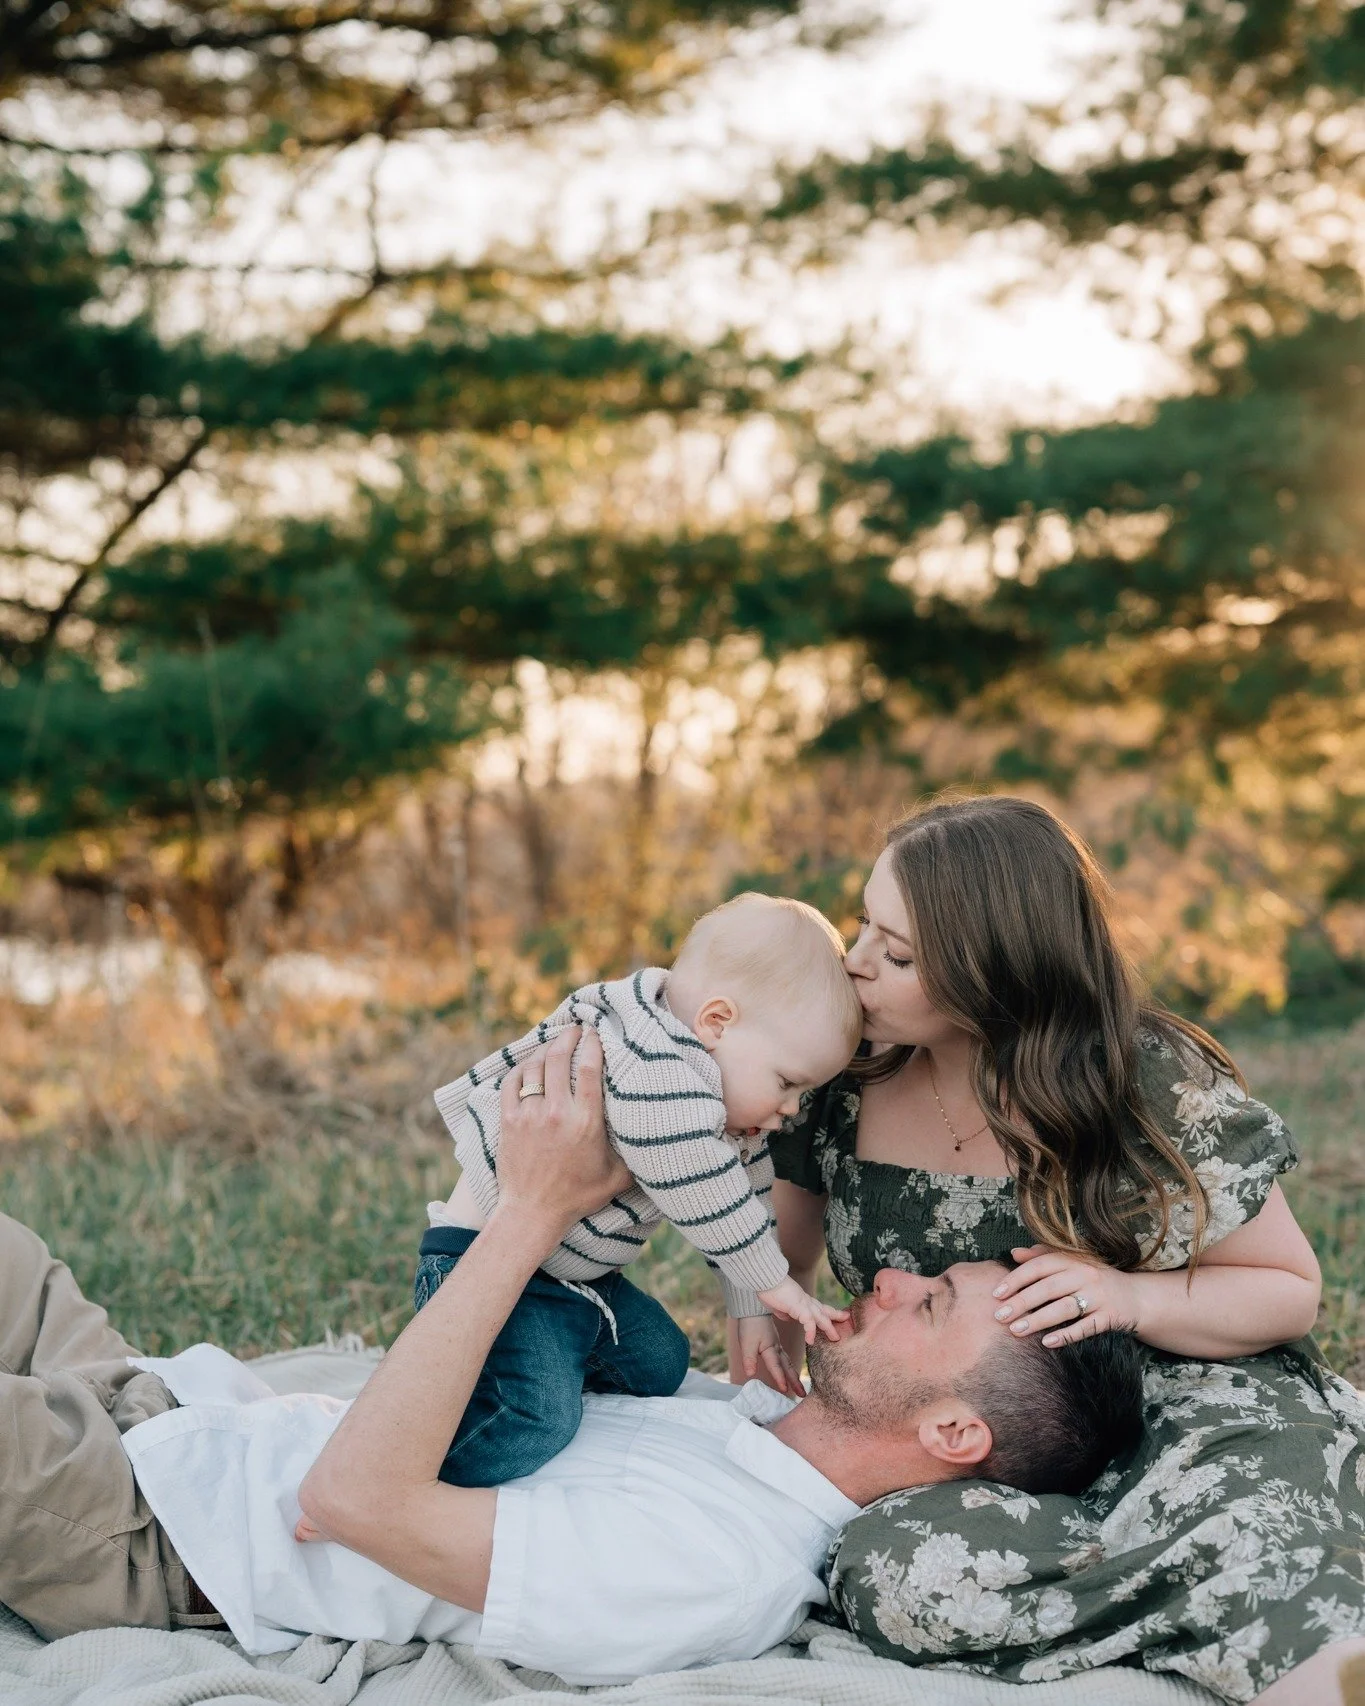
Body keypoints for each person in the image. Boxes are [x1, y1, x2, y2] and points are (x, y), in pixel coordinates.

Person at [0, 1028, 1144, 1687]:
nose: (886, 1276)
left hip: (152, 1531)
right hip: (178, 1404)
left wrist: (529, 1213)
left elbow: (349, 1497)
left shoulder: (716, 1564)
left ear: (955, 1433)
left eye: (930, 1300)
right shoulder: (741, 1422)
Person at [761, 792, 1365, 1706]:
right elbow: (780, 1260)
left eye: (897, 954)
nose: (854, 967)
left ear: (994, 969)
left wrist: (1134, 1299)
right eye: (861, 929)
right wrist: (756, 1305)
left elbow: (1287, 1290)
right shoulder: (842, 1072)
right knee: (895, 1573)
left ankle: (1282, 1625)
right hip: (974, 1433)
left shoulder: (1136, 1076)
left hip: (1183, 1389)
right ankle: (1212, 1599)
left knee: (1251, 1511)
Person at [419, 891, 860, 1488]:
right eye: (787, 1083)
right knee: (533, 1420)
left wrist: (753, 1308)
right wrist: (776, 1283)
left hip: (571, 1280)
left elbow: (745, 1199)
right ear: (716, 1022)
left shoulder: (719, 1093)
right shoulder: (652, 1062)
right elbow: (700, 1186)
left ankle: (551, 1370)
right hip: (488, 1270)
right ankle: (414, 1460)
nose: (789, 1110)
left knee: (660, 1359)